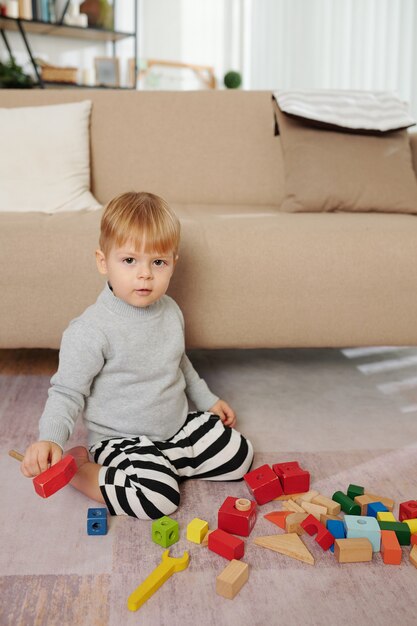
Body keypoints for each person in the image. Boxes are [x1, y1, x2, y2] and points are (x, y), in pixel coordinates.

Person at [21, 191, 254, 519]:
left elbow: (179, 362)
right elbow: (66, 393)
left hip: (174, 428)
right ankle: (83, 469)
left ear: (173, 263)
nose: (145, 274)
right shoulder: (91, 330)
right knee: (159, 499)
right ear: (104, 262)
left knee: (238, 454)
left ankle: (162, 464)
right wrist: (50, 439)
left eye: (157, 262)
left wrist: (207, 400)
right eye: (129, 260)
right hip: (120, 438)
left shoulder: (170, 310)